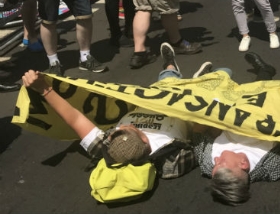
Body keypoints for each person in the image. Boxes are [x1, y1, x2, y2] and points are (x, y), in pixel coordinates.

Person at [20, 42, 206, 178]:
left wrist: (43, 89)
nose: (119, 128)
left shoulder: (108, 150)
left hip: (155, 98)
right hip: (182, 106)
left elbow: (74, 118)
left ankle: (171, 67)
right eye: (131, 128)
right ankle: (199, 84)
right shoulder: (171, 163)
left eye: (114, 132)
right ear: (144, 140)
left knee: (165, 80)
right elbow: (200, 143)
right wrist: (202, 105)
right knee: (181, 85)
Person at [192, 49, 280, 205]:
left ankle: (265, 70)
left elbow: (197, 134)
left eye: (215, 165)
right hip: (276, 114)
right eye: (221, 163)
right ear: (243, 163)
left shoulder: (209, 166)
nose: (215, 159)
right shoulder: (271, 167)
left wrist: (212, 112)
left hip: (244, 110)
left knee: (256, 88)